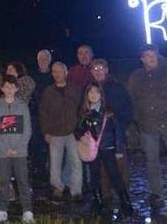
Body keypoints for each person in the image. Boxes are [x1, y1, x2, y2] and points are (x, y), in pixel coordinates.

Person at [127, 44, 167, 214]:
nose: (151, 57)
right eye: (147, 55)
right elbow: (130, 99)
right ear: (142, 59)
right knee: (152, 161)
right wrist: (137, 118)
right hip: (147, 125)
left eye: (153, 54)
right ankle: (157, 194)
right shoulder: (136, 76)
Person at [75, 82, 133, 217]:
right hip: (92, 148)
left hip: (107, 146)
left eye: (96, 92)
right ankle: (98, 201)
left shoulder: (108, 111)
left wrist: (118, 149)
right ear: (86, 95)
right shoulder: (84, 112)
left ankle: (125, 201)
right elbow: (77, 129)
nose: (93, 95)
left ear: (101, 94)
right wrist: (82, 134)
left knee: (114, 174)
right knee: (94, 175)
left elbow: (117, 130)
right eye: (90, 92)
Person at [0, 75, 34, 224]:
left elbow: (27, 130)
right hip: (3, 153)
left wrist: (18, 148)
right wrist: (4, 148)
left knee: (23, 180)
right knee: (3, 181)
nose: (9, 90)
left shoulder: (22, 106)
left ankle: (27, 211)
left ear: (16, 89)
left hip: (20, 152)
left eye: (12, 87)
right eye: (6, 86)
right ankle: (2, 210)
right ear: (2, 88)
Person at [90, 58, 133, 198]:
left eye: (101, 68)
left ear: (106, 70)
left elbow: (127, 109)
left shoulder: (116, 87)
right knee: (102, 167)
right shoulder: (89, 89)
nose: (98, 72)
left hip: (116, 132)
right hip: (98, 136)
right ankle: (105, 195)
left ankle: (123, 195)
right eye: (95, 69)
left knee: (120, 165)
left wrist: (118, 123)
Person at [39, 61, 82, 202]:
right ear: (52, 74)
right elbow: (43, 113)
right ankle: (58, 187)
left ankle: (76, 191)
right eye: (54, 71)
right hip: (55, 132)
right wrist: (46, 131)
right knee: (55, 164)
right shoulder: (48, 91)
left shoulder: (75, 89)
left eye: (60, 71)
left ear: (66, 72)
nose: (57, 74)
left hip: (73, 131)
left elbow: (81, 109)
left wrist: (81, 129)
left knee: (76, 162)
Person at [29, 50, 53, 179]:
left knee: (52, 146)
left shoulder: (54, 76)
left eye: (45, 58)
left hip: (52, 117)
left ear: (49, 60)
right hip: (36, 116)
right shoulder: (32, 76)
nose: (43, 60)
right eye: (40, 58)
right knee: (37, 144)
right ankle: (39, 173)